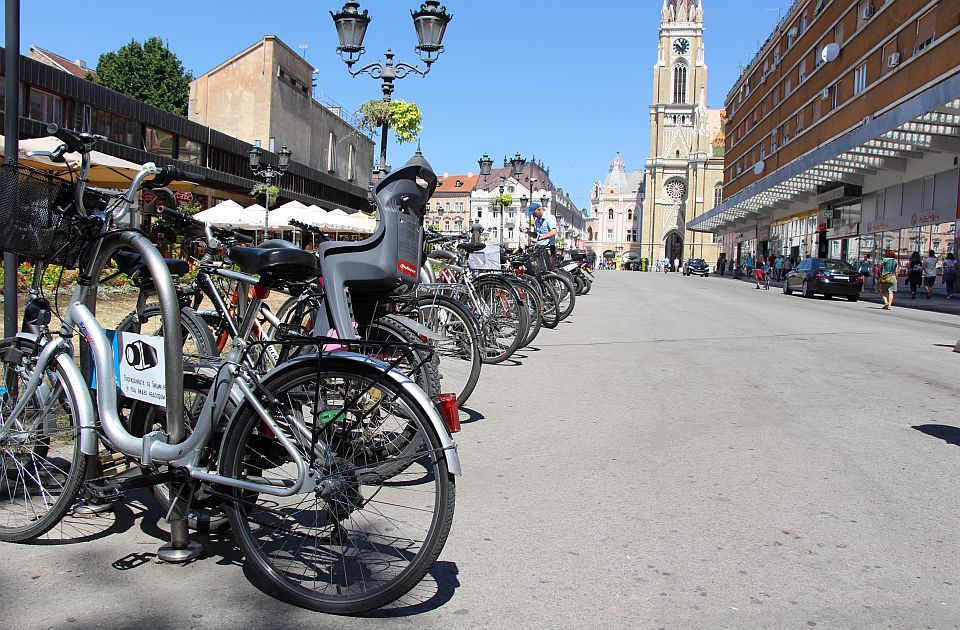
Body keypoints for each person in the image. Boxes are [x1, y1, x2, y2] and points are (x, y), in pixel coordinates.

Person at [520, 202, 558, 270]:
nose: (533, 215)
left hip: (549, 248)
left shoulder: (550, 218)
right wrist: (527, 232)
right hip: (540, 248)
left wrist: (539, 239)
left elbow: (553, 232)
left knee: (551, 270)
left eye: (534, 213)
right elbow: (536, 235)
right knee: (538, 270)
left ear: (539, 210)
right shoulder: (537, 221)